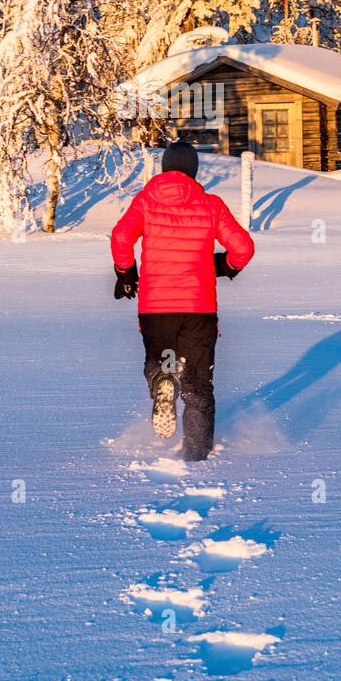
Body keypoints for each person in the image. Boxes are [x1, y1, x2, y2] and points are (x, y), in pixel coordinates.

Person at [110, 140, 254, 462]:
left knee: (163, 361)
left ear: (164, 168)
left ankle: (163, 379)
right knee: (198, 387)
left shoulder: (145, 201)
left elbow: (121, 237)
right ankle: (196, 455)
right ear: (193, 170)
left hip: (156, 308)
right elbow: (243, 248)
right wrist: (222, 266)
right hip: (198, 308)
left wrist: (125, 273)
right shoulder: (210, 204)